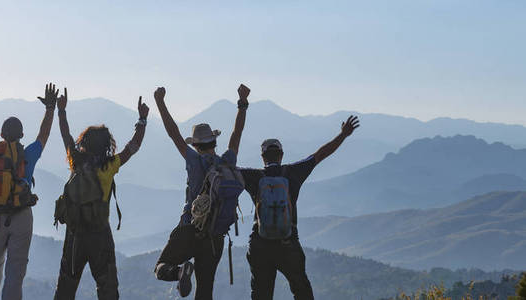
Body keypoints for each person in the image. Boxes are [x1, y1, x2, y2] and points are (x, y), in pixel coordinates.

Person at [241, 116, 360, 300]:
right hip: (288, 243)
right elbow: (320, 154)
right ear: (281, 155)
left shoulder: (253, 176)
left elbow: (225, 168)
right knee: (302, 291)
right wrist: (343, 135)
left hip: (260, 244)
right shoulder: (293, 172)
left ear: (263, 157)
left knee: (261, 294)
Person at [153, 85, 250, 299]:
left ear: (196, 145)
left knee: (161, 267)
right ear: (214, 142)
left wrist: (160, 102)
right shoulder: (227, 162)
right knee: (205, 290)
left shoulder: (194, 161)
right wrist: (242, 103)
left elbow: (174, 134)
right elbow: (237, 134)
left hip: (189, 228)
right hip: (215, 236)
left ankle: (179, 271)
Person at [53, 88, 149, 300]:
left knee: (65, 289)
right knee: (107, 289)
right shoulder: (109, 166)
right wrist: (142, 120)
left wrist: (61, 111)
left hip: (74, 235)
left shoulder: (76, 162)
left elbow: (65, 135)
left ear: (84, 142)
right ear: (107, 145)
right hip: (99, 235)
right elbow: (133, 147)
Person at [0, 76, 57, 300]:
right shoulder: (28, 154)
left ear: (2, 135)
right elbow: (44, 134)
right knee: (15, 272)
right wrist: (50, 108)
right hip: (21, 217)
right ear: (22, 135)